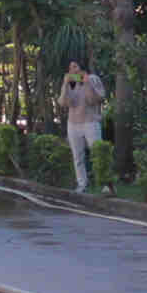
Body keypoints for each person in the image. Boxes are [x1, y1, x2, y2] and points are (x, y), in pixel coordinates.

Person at [59, 58, 108, 193]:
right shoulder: (70, 82)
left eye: (75, 66)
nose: (73, 69)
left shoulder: (93, 79)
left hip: (90, 122)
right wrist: (65, 84)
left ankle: (104, 184)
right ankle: (82, 184)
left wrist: (86, 83)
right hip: (73, 124)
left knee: (98, 153)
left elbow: (95, 100)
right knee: (77, 157)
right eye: (70, 67)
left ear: (82, 66)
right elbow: (63, 103)